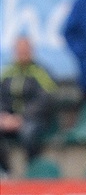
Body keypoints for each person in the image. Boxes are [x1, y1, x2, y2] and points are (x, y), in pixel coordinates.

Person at [0, 35, 57, 175]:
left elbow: (45, 99)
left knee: (29, 133)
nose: (22, 54)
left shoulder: (41, 72)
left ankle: (32, 171)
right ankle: (5, 171)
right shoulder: (7, 72)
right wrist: (4, 116)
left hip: (34, 120)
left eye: (25, 51)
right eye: (19, 51)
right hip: (10, 119)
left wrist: (22, 117)